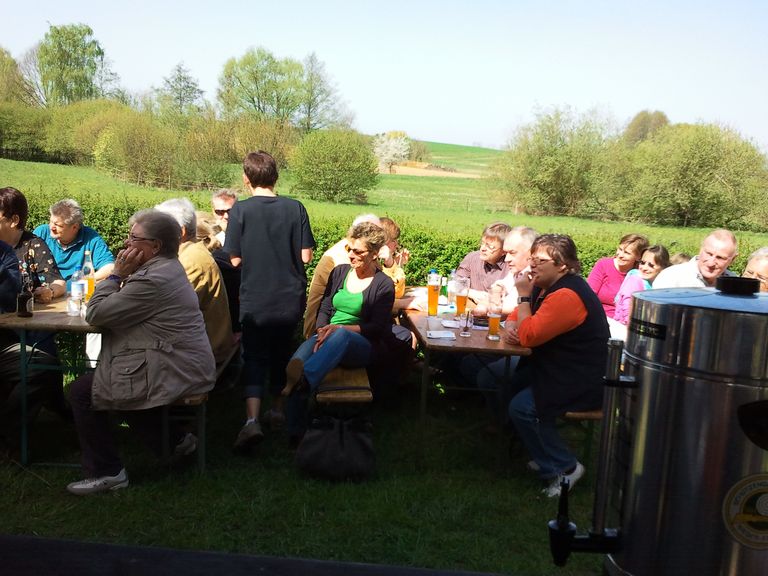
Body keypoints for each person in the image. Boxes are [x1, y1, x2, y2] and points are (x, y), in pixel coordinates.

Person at [66, 210, 216, 495]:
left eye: (134, 238)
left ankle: (108, 473)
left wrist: (116, 275)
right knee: (120, 383)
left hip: (175, 366)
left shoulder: (153, 280)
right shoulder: (168, 267)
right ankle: (176, 443)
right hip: (182, 361)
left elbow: (96, 313)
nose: (126, 243)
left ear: (155, 246)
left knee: (83, 391)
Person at [505, 234, 609, 498]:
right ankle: (538, 452)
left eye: (540, 260)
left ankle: (565, 467)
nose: (532, 265)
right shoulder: (544, 285)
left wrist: (523, 298)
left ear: (563, 265)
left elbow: (529, 335)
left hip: (581, 379)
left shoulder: (566, 295)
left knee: (522, 407)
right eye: (532, 258)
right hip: (556, 369)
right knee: (502, 382)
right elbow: (517, 319)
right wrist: (512, 326)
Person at [225, 151, 315, 451]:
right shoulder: (296, 208)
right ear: (276, 177)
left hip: (256, 297)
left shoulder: (240, 211)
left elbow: (234, 260)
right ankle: (277, 410)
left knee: (253, 356)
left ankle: (251, 420)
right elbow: (306, 256)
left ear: (246, 178)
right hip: (289, 297)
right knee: (281, 353)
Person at [282, 223, 395, 432]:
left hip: (362, 345)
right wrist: (322, 330)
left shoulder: (384, 284)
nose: (351, 255)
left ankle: (306, 378)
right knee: (297, 362)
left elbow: (377, 328)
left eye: (358, 251)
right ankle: (295, 432)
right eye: (349, 249)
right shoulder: (339, 272)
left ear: (374, 254)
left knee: (340, 336)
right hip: (328, 336)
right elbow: (325, 307)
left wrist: (340, 329)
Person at [0, 239, 65, 458]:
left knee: (42, 365)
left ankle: (9, 436)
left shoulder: (4, 252)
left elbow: (10, 298)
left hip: (2, 341)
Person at [155, 198, 234, 366]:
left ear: (180, 232)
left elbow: (163, 309)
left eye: (157, 229)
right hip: (191, 349)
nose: (153, 235)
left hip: (198, 356)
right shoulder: (184, 255)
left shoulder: (191, 261)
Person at [303, 213, 380, 339]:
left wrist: (391, 264)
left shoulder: (364, 255)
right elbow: (372, 299)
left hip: (343, 331)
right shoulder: (345, 259)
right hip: (321, 328)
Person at [0, 187, 66, 303]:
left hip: (25, 311)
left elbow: (58, 283)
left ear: (14, 220)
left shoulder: (34, 245)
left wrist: (50, 291)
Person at [33, 198, 115, 288]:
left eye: (58, 225)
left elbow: (109, 267)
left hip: (76, 291)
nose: (51, 227)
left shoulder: (90, 238)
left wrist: (84, 281)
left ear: (75, 227)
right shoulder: (41, 233)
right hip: (45, 290)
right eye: (51, 222)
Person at [587, 233, 649, 317]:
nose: (620, 255)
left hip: (624, 319)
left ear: (638, 257)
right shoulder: (603, 265)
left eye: (627, 253)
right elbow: (589, 295)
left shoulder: (639, 274)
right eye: (620, 249)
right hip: (598, 316)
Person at [653, 229, 738, 289]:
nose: (711, 263)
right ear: (700, 250)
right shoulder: (672, 277)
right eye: (708, 254)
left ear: (733, 259)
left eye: (720, 258)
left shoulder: (734, 284)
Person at [613, 245, 671, 325]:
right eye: (642, 263)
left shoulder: (661, 285)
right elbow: (628, 309)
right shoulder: (635, 280)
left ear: (663, 268)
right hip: (626, 326)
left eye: (651, 265)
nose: (644, 268)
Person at [456, 222, 512, 304]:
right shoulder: (472, 258)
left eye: (490, 246)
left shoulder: (511, 267)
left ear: (504, 251)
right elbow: (455, 284)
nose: (482, 248)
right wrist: (471, 293)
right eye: (482, 243)